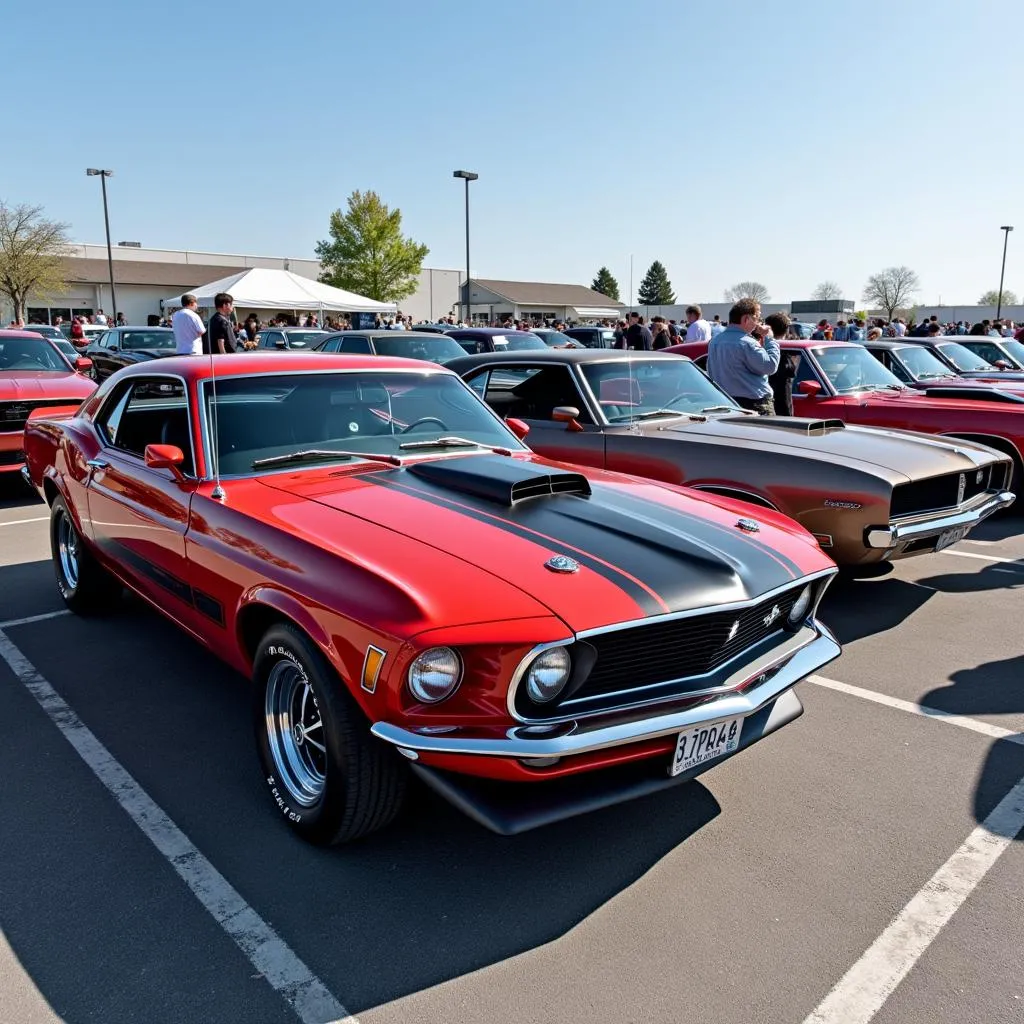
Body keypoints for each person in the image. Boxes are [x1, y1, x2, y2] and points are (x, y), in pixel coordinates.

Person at [706, 298, 780, 415]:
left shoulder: (715, 341)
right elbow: (770, 366)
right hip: (754, 404)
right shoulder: (747, 343)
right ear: (746, 319)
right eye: (757, 318)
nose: (758, 323)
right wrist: (770, 338)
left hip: (726, 402)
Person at [764, 311, 794, 415]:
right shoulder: (783, 357)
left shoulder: (758, 349)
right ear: (786, 331)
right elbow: (785, 395)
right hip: (779, 408)